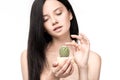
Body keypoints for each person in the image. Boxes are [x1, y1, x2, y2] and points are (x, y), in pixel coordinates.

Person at [21, 0, 101, 80]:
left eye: (58, 13)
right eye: (45, 19)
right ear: (42, 26)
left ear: (70, 14)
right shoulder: (29, 55)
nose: (54, 21)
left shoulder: (92, 59)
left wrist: (83, 68)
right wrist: (53, 76)